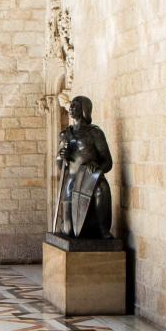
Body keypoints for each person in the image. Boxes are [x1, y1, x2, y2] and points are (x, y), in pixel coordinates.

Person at [54, 96, 113, 238]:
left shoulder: (94, 133)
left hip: (91, 180)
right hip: (72, 180)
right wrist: (61, 156)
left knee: (102, 189)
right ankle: (67, 225)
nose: (71, 108)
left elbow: (108, 162)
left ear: (84, 109)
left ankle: (103, 230)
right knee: (68, 231)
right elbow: (60, 165)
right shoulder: (65, 135)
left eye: (75, 106)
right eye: (71, 106)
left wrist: (97, 168)